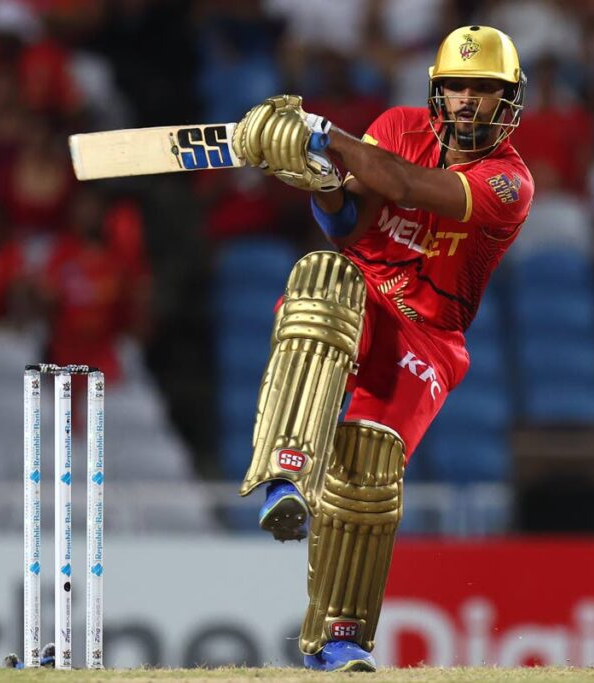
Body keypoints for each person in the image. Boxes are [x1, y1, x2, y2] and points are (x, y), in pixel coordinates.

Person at [232, 25, 534, 672]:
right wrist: (318, 177)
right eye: (457, 86)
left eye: (486, 90)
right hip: (364, 287)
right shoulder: (396, 124)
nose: (468, 102)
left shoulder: (510, 183)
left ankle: (337, 640)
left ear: (508, 101)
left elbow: (404, 188)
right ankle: (283, 472)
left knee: (370, 467)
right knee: (322, 275)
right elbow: (348, 221)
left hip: (429, 333)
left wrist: (322, 134)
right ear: (437, 89)